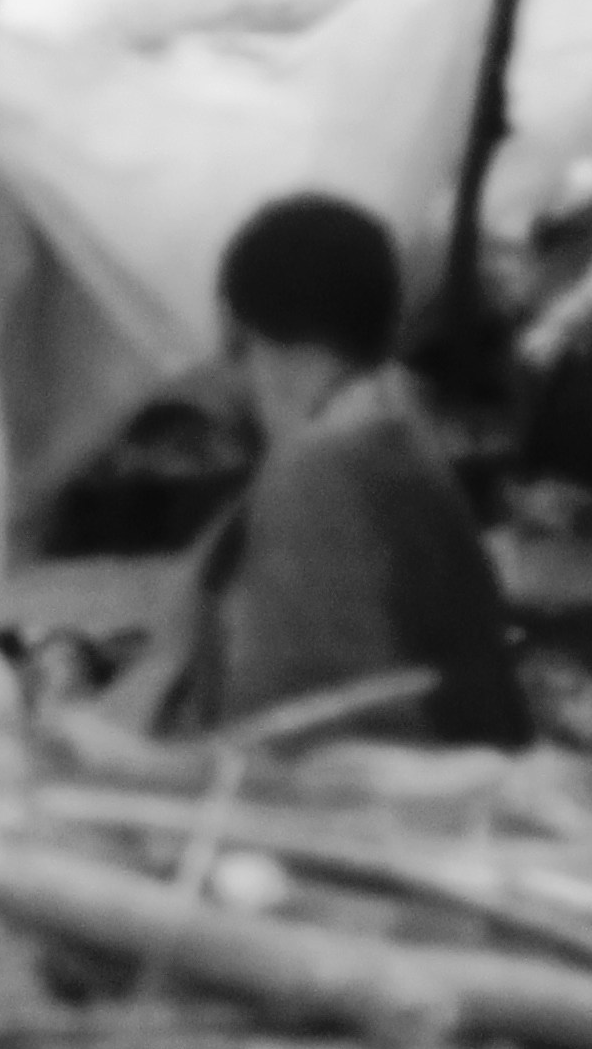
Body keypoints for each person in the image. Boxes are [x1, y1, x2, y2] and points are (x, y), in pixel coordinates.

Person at [141, 192, 532, 751]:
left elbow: (300, 736)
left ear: (236, 327)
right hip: (464, 767)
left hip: (406, 790)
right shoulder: (396, 421)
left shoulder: (319, 473)